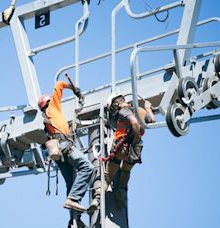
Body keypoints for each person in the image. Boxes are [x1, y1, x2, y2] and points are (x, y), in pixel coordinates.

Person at [38, 80, 94, 228]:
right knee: (88, 167)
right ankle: (74, 199)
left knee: (71, 182)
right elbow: (60, 84)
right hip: (64, 146)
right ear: (50, 102)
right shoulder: (53, 108)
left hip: (58, 154)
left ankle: (74, 219)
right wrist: (75, 89)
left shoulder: (47, 119)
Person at [103, 92, 156, 208]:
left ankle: (98, 198)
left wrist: (136, 140)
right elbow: (152, 120)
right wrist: (148, 108)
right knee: (126, 171)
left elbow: (134, 123)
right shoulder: (140, 111)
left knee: (108, 177)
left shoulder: (123, 111)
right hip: (134, 151)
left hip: (122, 147)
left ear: (115, 104)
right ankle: (120, 193)